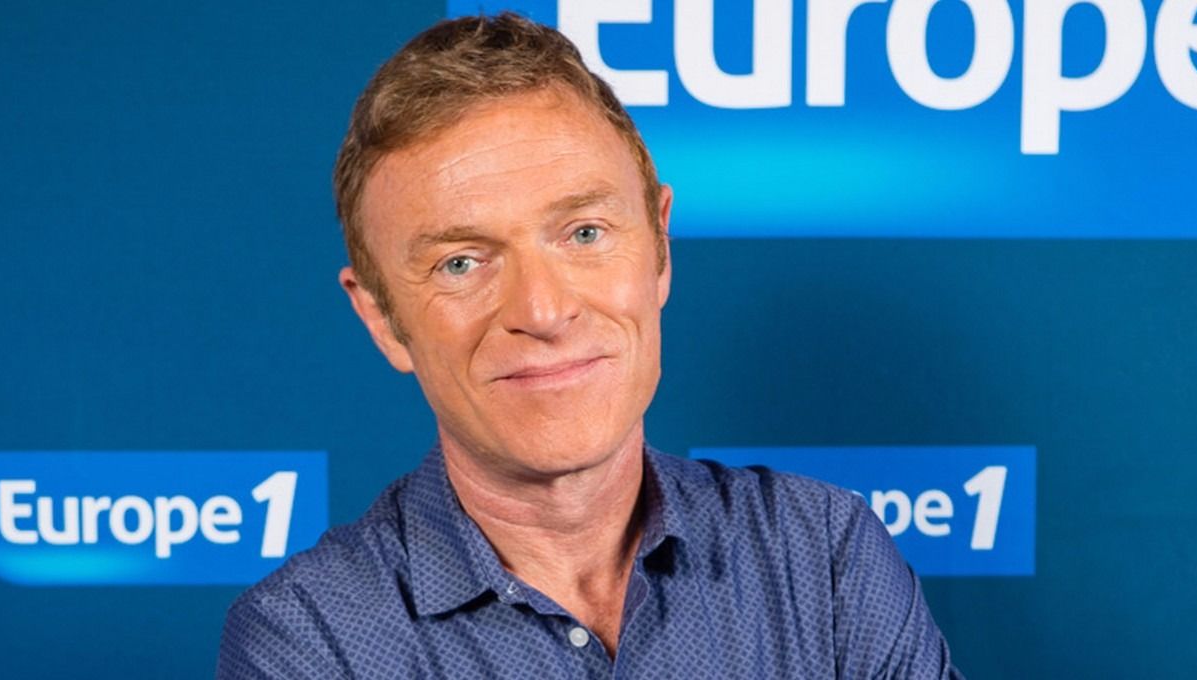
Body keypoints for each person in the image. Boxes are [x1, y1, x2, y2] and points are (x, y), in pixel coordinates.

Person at [217, 12, 963, 679]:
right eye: (462, 263)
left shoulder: (823, 558)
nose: (543, 311)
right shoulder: (312, 642)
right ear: (382, 317)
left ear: (660, 248)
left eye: (584, 233)